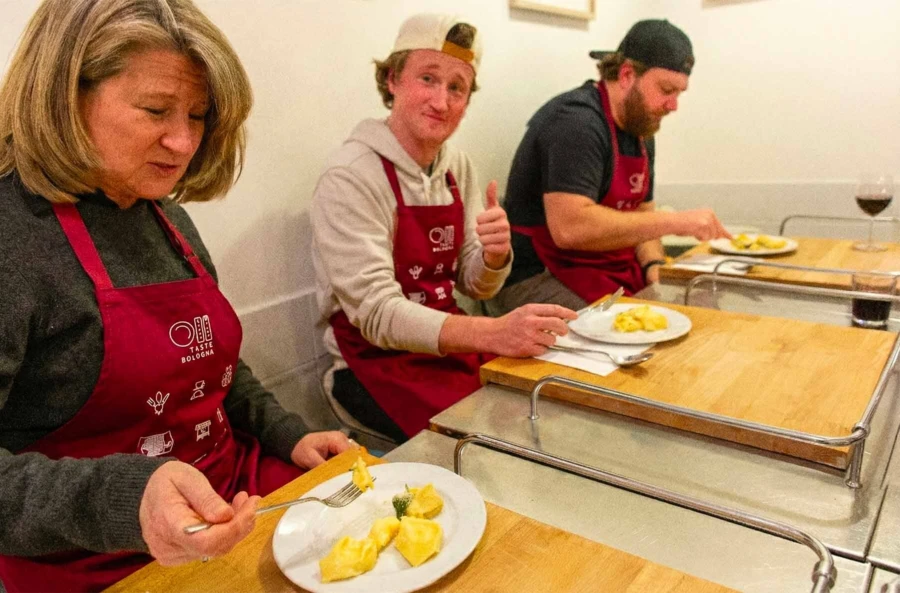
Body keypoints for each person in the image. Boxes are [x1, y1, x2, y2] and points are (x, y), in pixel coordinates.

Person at [0, 1, 351, 590]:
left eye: (199, 115)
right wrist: (125, 500)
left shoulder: (163, 215)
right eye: (156, 110)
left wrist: (288, 432)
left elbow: (210, 366)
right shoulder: (14, 237)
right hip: (98, 559)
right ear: (64, 94)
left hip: (232, 497)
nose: (184, 142)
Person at [312, 14, 576, 443]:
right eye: (428, 78)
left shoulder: (458, 166)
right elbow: (378, 314)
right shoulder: (350, 176)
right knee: (494, 442)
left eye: (457, 87)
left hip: (445, 346)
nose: (442, 100)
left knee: (550, 399)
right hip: (372, 363)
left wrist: (493, 257)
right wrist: (494, 331)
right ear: (393, 79)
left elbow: (476, 286)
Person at [491, 19, 731, 314]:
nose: (673, 105)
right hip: (539, 277)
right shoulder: (576, 122)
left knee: (693, 318)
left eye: (679, 93)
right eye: (666, 89)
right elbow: (571, 228)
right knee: (638, 341)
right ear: (628, 74)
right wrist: (677, 222)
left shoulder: (641, 128)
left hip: (609, 271)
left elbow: (643, 216)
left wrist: (654, 264)